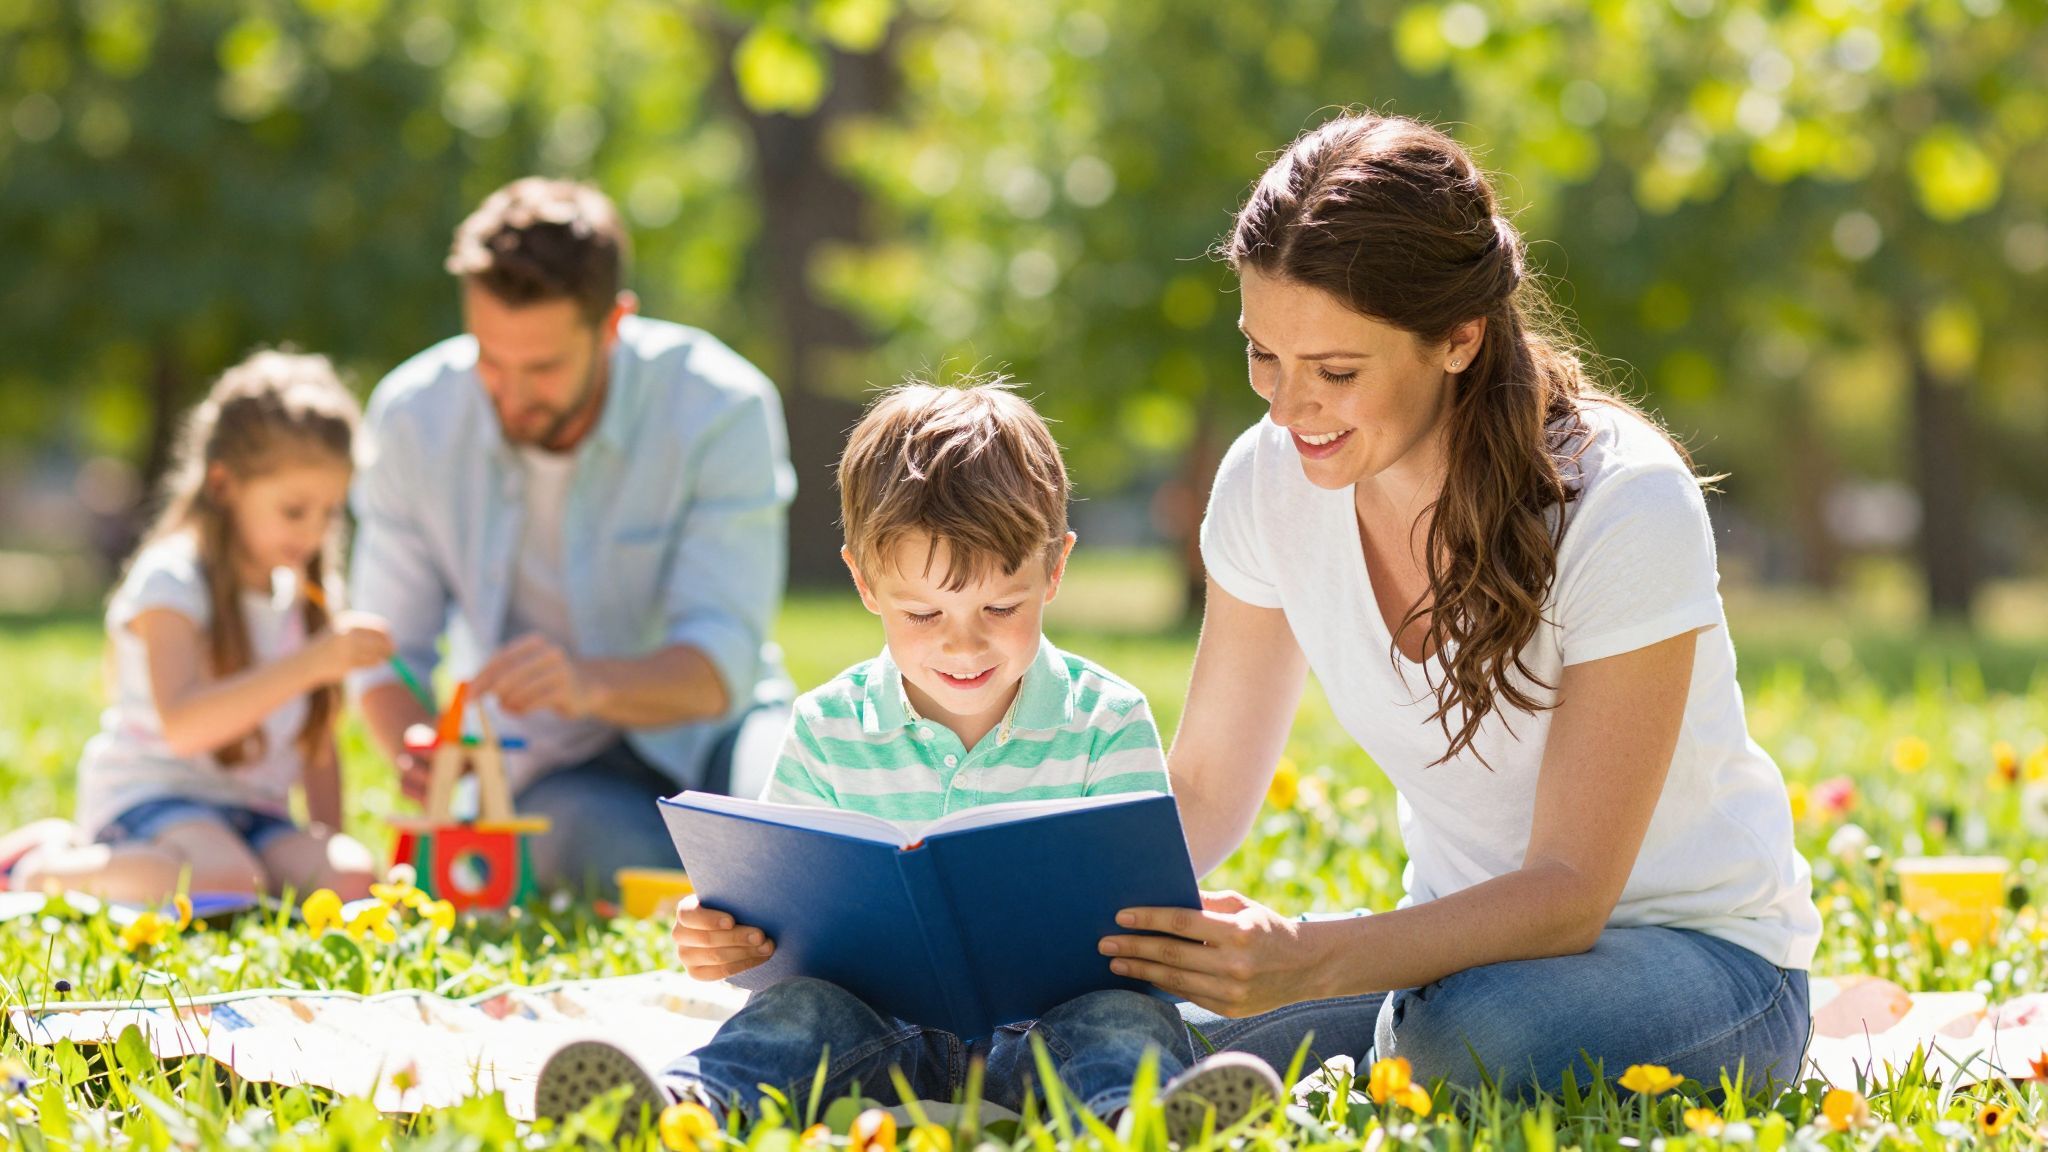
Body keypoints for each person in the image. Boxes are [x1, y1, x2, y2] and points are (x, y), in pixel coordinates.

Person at [1089, 112, 1821, 1098]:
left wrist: (1307, 957)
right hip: (1449, 965)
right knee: (1105, 1023)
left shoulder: (1621, 502)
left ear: (1458, 338)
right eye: (1261, 354)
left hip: (1700, 964)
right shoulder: (1267, 482)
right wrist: (1040, 927)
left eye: (1336, 372)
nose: (1286, 408)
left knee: (1482, 1039)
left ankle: (1358, 1057)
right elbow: (1206, 788)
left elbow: (1568, 898)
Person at [535, 380, 1284, 1139]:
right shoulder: (827, 726)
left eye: (1000, 607)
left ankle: (1142, 1123)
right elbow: (775, 921)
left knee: (1121, 1021)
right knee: (798, 1016)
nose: (963, 645)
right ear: (864, 581)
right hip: (875, 1036)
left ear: (1054, 570)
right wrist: (725, 935)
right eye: (923, 614)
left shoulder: (1107, 720)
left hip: (1046, 1036)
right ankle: (678, 1109)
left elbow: (1146, 921)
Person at [347, 178, 795, 895]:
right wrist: (421, 746)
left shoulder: (720, 406)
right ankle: (727, 891)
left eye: (544, 368)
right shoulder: (413, 418)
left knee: (795, 819)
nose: (511, 395)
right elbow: (385, 654)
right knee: (571, 842)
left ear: (614, 324)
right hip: (551, 769)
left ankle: (744, 882)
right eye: (489, 359)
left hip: (719, 738)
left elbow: (722, 665)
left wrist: (586, 682)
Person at [14, 351, 387, 904]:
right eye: (293, 510)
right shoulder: (171, 579)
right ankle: (43, 868)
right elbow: (185, 725)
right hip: (155, 799)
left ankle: (245, 874)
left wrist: (328, 843)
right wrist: (311, 663)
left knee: (352, 879)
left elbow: (317, 742)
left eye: (330, 513)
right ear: (223, 485)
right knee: (223, 880)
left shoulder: (304, 595)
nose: (314, 533)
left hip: (254, 815)